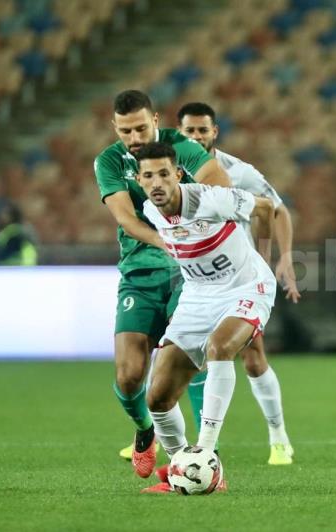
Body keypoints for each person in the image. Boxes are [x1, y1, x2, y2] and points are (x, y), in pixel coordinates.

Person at [94, 90, 231, 479]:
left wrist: (194, 229)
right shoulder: (108, 161)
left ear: (155, 119)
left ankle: (206, 456)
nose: (135, 138)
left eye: (141, 127)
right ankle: (144, 431)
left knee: (192, 360)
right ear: (114, 128)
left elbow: (216, 179)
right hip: (139, 274)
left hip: (188, 274)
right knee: (129, 375)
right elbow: (126, 219)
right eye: (125, 131)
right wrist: (169, 241)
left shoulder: (178, 146)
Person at [132, 142, 277, 493]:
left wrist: (264, 261)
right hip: (197, 297)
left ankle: (206, 451)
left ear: (178, 175)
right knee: (157, 397)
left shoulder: (211, 200)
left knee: (219, 347)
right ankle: (185, 467)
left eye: (164, 174)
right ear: (138, 180)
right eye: (148, 176)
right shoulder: (151, 211)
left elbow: (266, 207)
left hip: (245, 288)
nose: (157, 183)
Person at [177, 101, 297, 465]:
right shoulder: (169, 172)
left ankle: (278, 436)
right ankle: (158, 433)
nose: (196, 136)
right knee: (177, 354)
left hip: (238, 280)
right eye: (189, 131)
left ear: (215, 132)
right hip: (195, 279)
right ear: (179, 133)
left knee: (254, 358)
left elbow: (277, 209)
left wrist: (279, 257)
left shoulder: (237, 171)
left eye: (203, 130)